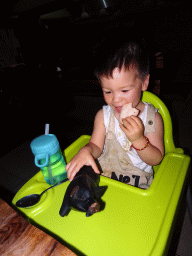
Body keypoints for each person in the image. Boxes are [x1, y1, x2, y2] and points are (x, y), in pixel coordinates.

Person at [66, 36, 164, 189]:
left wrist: (138, 140)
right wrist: (86, 150)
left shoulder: (152, 118)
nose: (116, 100)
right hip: (106, 178)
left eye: (124, 90)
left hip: (137, 184)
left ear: (144, 82)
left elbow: (156, 159)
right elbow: (96, 146)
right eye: (108, 91)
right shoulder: (103, 116)